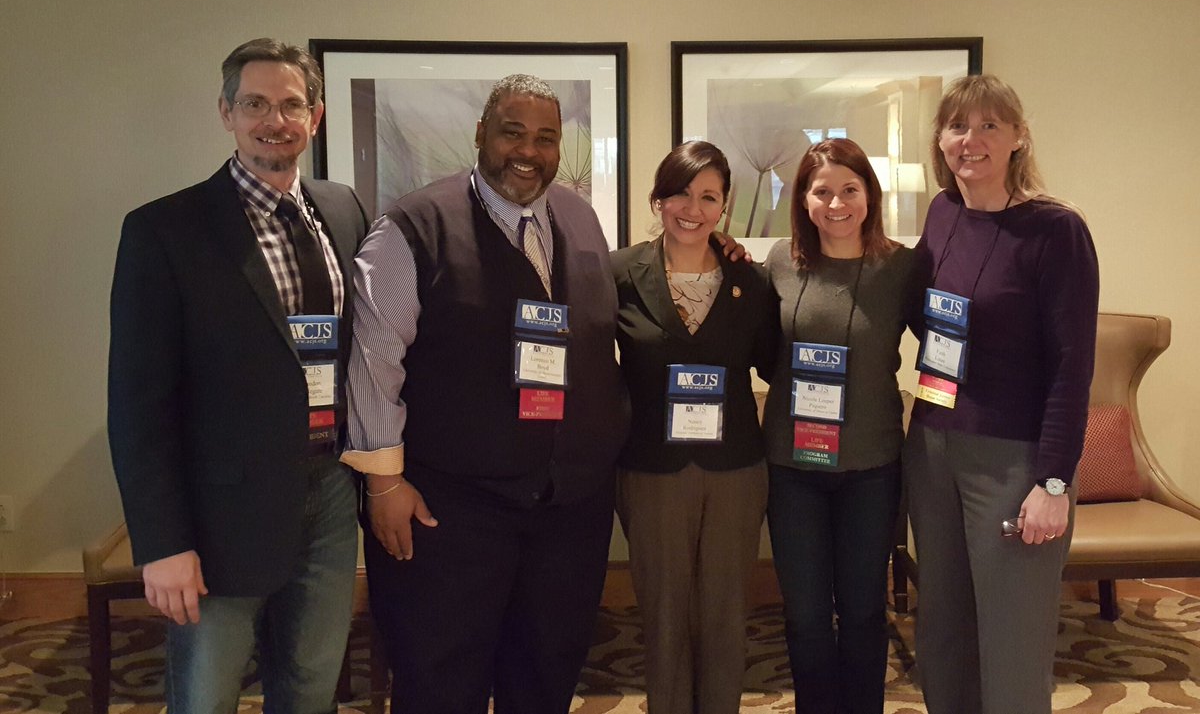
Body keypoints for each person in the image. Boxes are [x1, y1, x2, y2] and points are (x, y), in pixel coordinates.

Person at [341, 74, 630, 714]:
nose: (528, 150)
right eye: (513, 132)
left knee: (545, 679)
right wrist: (384, 483)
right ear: (481, 134)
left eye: (546, 138)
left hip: (565, 514)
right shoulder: (413, 226)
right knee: (441, 684)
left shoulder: (580, 219)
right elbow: (374, 361)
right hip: (449, 514)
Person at [108, 38, 369, 713]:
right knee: (205, 696)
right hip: (220, 510)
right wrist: (162, 543)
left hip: (331, 492)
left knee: (312, 687)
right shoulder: (166, 230)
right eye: (254, 103)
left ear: (314, 118)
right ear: (226, 113)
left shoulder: (344, 211)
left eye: (289, 104)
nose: (272, 119)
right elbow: (138, 405)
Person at [904, 74, 1099, 714]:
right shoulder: (942, 214)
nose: (972, 140)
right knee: (944, 637)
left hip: (1013, 462)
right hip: (932, 448)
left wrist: (1053, 483)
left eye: (990, 125)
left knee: (1012, 646)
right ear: (940, 139)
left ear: (1018, 137)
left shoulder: (1056, 231)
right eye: (959, 126)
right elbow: (929, 319)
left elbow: (1073, 366)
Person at [609, 141, 777, 714]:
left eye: (708, 196)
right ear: (659, 198)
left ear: (723, 208)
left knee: (725, 613)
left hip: (734, 468)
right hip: (651, 468)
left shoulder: (748, 282)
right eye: (680, 191)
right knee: (663, 615)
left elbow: (773, 362)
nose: (692, 207)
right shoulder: (621, 273)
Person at [761, 137, 916, 713]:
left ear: (869, 196)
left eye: (849, 190)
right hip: (792, 468)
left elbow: (947, 343)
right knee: (803, 616)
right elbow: (759, 349)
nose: (836, 203)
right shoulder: (780, 261)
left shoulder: (900, 267)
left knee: (861, 612)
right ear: (802, 199)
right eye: (821, 190)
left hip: (872, 469)